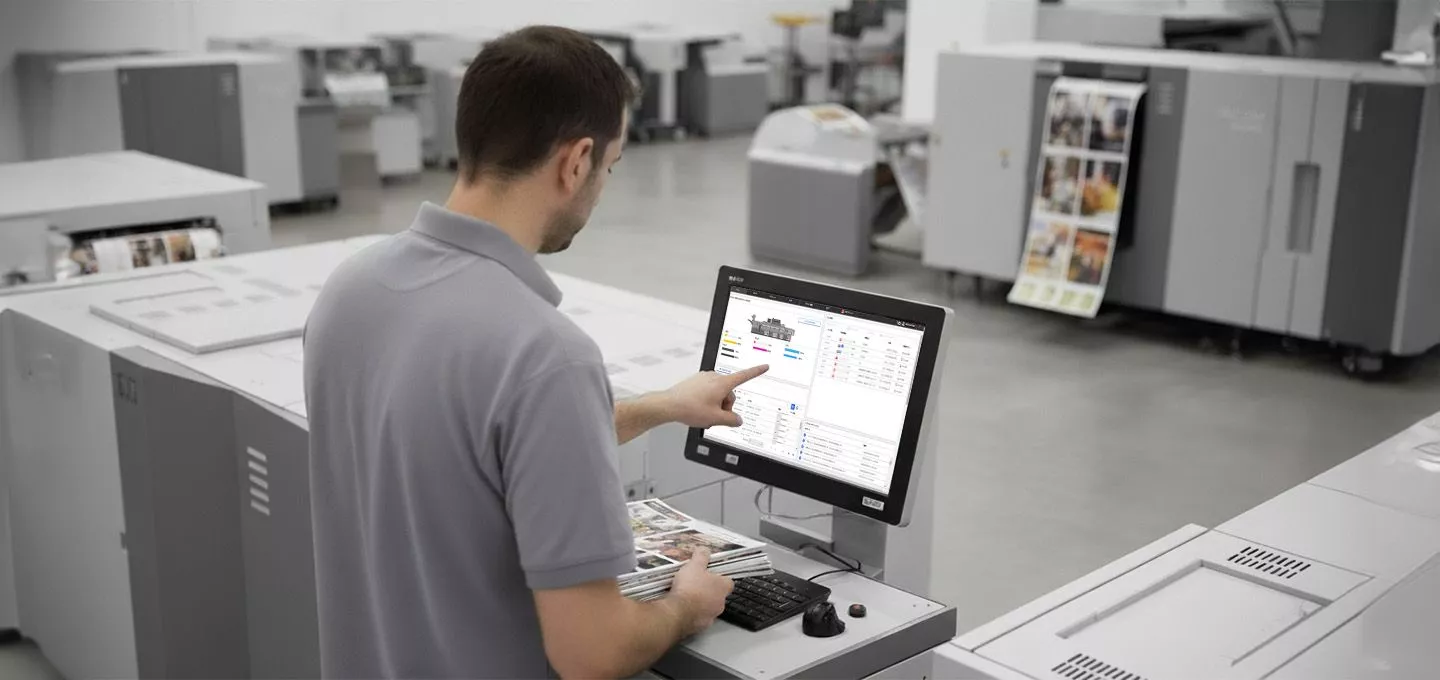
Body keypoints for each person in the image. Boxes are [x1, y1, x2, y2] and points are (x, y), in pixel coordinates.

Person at [303, 26, 769, 679]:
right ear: (575, 161)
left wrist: (663, 406)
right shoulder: (545, 355)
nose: (601, 187)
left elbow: (477, 445)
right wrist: (686, 607)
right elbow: (592, 652)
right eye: (609, 167)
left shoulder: (350, 289)